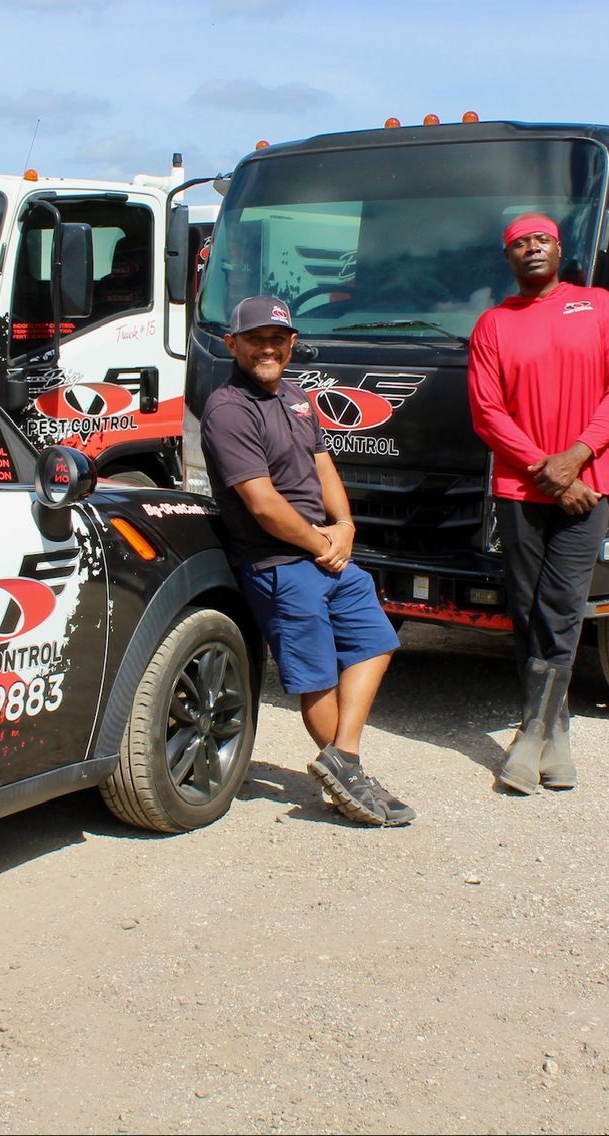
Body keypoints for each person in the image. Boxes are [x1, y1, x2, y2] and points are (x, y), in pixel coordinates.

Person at [200, 295, 414, 827]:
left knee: (375, 640)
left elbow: (323, 466)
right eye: (255, 340)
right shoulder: (228, 409)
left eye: (277, 339)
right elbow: (262, 502)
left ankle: (343, 758)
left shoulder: (296, 396)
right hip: (278, 562)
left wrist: (345, 526)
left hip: (327, 552)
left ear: (291, 344)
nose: (267, 349)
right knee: (316, 673)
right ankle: (350, 775)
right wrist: (321, 544)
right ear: (233, 345)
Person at [468, 213, 609, 794]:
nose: (531, 249)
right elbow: (488, 413)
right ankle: (554, 730)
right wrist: (553, 472)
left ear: (559, 248)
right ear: (508, 258)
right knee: (526, 608)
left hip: (588, 489)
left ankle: (530, 735)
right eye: (518, 243)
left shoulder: (598, 307)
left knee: (562, 608)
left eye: (540, 239)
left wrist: (578, 454)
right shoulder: (493, 324)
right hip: (525, 491)